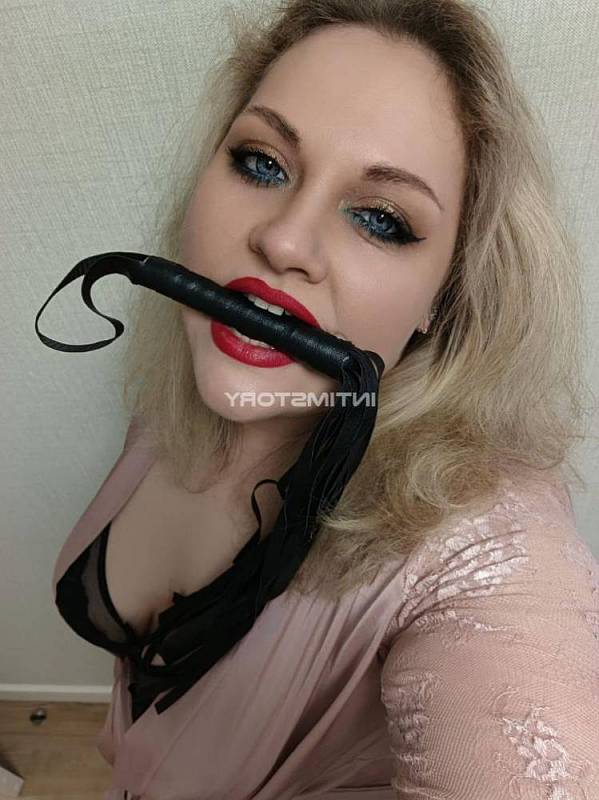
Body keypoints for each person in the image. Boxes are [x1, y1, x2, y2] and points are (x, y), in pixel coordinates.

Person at [51, 1, 599, 798]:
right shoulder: (183, 394)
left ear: (444, 296)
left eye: (380, 219)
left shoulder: (489, 549)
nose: (283, 240)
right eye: (260, 163)